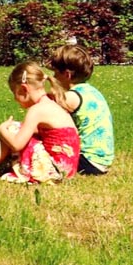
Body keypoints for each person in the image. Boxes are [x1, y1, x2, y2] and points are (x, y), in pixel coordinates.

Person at [47, 44, 114, 175]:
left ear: (67, 75)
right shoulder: (90, 91)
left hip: (87, 161)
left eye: (55, 73)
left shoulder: (71, 97)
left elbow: (45, 114)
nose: (54, 77)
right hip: (101, 161)